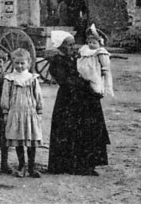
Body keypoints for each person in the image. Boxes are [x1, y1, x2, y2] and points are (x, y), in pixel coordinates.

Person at [48, 32, 110, 176]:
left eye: (73, 44)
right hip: (68, 100)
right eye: (68, 44)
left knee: (88, 128)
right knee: (68, 130)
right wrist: (84, 83)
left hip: (84, 98)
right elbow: (65, 80)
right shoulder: (57, 61)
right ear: (61, 46)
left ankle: (87, 164)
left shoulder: (78, 57)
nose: (72, 47)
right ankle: (64, 164)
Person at [1, 49, 44, 178]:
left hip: (30, 113)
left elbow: (38, 95)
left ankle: (31, 167)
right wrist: (5, 111)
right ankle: (21, 166)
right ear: (13, 63)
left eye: (22, 63)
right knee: (19, 140)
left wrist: (39, 110)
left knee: (31, 139)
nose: (19, 66)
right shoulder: (10, 79)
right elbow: (5, 96)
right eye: (17, 63)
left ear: (28, 64)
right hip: (15, 113)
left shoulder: (32, 78)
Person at [76, 26, 114, 97]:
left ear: (100, 44)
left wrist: (104, 71)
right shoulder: (84, 49)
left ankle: (96, 92)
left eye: (94, 43)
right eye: (90, 42)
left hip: (94, 72)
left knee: (95, 86)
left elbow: (105, 65)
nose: (91, 44)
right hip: (83, 72)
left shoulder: (100, 52)